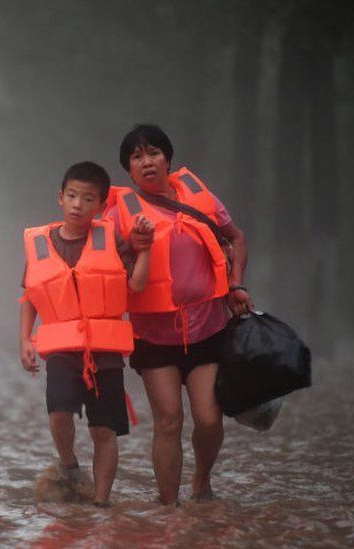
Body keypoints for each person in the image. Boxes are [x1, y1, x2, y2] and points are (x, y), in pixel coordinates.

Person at [105, 124, 253, 505]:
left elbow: (236, 238)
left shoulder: (199, 198)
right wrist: (133, 249)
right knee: (168, 420)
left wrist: (237, 284)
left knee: (208, 419)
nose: (147, 161)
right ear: (129, 170)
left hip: (207, 327)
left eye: (153, 152)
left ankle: (201, 482)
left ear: (167, 159)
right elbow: (108, 269)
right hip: (155, 335)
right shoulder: (120, 215)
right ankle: (168, 507)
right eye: (136, 157)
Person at [19, 161, 154, 506]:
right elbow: (30, 295)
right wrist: (25, 340)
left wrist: (145, 250)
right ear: (60, 198)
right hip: (62, 347)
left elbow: (136, 285)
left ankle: (100, 504)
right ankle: (69, 464)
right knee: (59, 411)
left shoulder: (113, 241)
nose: (79, 204)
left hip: (104, 351)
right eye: (73, 196)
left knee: (103, 430)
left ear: (101, 205)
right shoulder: (39, 244)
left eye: (88, 199)